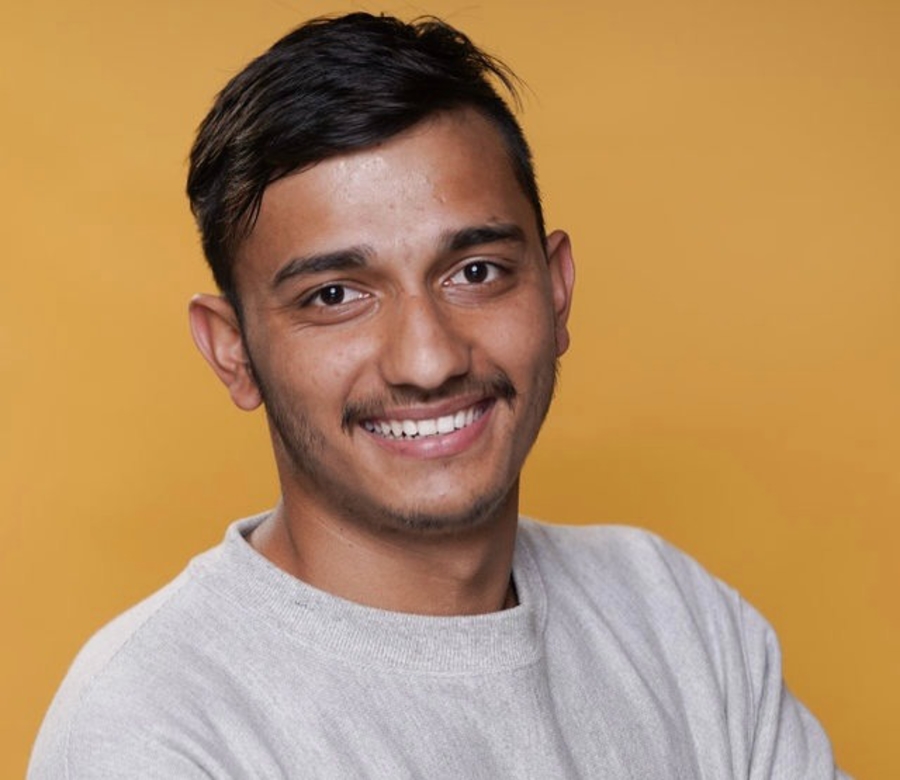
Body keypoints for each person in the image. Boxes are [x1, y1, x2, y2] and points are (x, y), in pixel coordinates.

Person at [29, 12, 848, 779]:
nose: (427, 361)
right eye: (335, 296)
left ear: (556, 289)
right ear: (232, 350)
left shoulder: (674, 616)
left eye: (475, 272)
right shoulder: (154, 729)